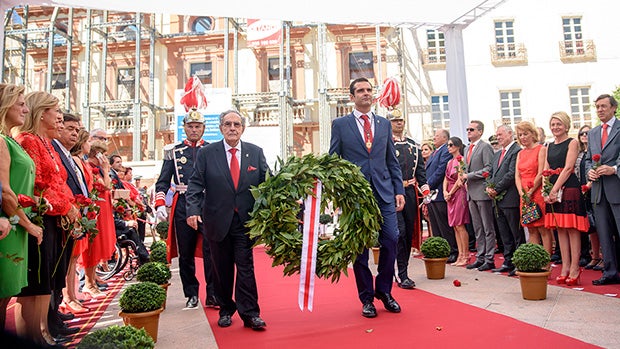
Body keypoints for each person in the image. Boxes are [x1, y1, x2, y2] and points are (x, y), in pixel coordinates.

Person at [329, 78, 405, 319]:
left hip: (384, 192)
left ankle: (384, 290)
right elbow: (334, 160)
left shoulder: (384, 124)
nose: (365, 94)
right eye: (360, 91)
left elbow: (390, 160)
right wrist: (339, 194)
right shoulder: (340, 124)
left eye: (369, 90)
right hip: (356, 196)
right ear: (352, 96)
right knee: (359, 249)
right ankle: (366, 298)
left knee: (391, 239)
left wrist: (399, 190)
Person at [186, 109, 270, 330]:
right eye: (228, 124)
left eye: (237, 124)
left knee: (246, 267)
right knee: (221, 269)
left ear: (242, 128)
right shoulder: (207, 154)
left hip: (245, 222)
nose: (232, 128)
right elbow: (195, 184)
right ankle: (225, 309)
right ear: (221, 127)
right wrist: (192, 209)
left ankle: (251, 313)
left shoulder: (255, 152)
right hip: (216, 221)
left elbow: (267, 184)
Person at [16, 91, 79, 346]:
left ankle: (44, 333)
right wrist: (67, 206)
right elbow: (37, 186)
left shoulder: (44, 143)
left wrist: (70, 206)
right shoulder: (28, 140)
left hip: (55, 216)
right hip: (41, 217)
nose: (60, 120)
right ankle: (37, 336)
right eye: (57, 113)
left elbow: (58, 182)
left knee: (48, 280)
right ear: (42, 113)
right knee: (37, 283)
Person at [154, 109, 218, 309]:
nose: (194, 130)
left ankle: (213, 294)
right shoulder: (173, 153)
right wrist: (160, 204)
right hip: (182, 205)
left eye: (197, 126)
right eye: (190, 126)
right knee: (186, 253)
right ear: (184, 128)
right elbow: (163, 182)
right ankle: (191, 293)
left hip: (207, 204)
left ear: (203, 129)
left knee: (212, 252)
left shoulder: (213, 150)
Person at [0, 84, 43, 332]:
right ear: (5, 105)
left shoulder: (9, 140)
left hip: (18, 225)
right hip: (9, 226)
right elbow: (6, 191)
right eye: (20, 104)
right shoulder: (2, 142)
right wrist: (28, 225)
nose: (26, 109)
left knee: (8, 294)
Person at [50, 113, 89, 335]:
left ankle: (54, 315)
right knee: (57, 267)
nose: (75, 133)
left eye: (77, 129)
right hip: (61, 216)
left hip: (71, 215)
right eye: (70, 128)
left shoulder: (64, 153)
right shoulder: (54, 150)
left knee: (63, 265)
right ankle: (52, 317)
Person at [544, 111, 589, 285]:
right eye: (553, 124)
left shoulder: (572, 142)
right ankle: (564, 267)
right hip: (553, 188)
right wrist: (547, 190)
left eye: (559, 124)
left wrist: (554, 189)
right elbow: (546, 169)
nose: (556, 127)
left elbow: (569, 167)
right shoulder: (548, 145)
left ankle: (575, 269)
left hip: (569, 187)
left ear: (566, 126)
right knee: (559, 229)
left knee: (571, 229)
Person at [388, 109, 428, 289]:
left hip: (411, 192)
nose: (399, 123)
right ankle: (399, 272)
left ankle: (403, 271)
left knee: (409, 233)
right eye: (395, 120)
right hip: (393, 193)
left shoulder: (413, 145)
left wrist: (426, 191)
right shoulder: (386, 144)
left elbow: (420, 171)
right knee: (399, 233)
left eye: (400, 120)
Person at [586, 94, 620, 285]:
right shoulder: (593, 133)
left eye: (604, 106)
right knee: (604, 233)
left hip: (616, 186)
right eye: (597, 106)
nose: (600, 110)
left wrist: (614, 169)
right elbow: (589, 159)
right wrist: (590, 172)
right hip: (598, 191)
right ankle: (610, 272)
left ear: (613, 107)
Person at [461, 121, 497, 271]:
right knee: (477, 227)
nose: (468, 131)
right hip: (471, 192)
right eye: (467, 129)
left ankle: (489, 258)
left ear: (480, 132)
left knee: (487, 226)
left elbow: (489, 168)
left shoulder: (485, 147)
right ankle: (480, 256)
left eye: (472, 129)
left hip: (482, 191)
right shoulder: (467, 149)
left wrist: (469, 175)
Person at [486, 125, 522, 273]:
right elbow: (491, 173)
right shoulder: (497, 154)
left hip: (510, 197)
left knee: (515, 233)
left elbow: (511, 173)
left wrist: (497, 189)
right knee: (504, 233)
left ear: (510, 134)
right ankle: (508, 261)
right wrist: (488, 186)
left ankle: (518, 262)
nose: (498, 137)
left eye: (500, 134)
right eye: (497, 135)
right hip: (497, 200)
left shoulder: (516, 151)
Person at [514, 121, 552, 255]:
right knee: (530, 227)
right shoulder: (520, 153)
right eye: (520, 135)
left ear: (532, 134)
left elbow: (541, 172)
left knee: (543, 228)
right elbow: (517, 175)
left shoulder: (541, 149)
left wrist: (531, 191)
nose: (523, 137)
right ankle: (535, 259)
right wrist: (521, 192)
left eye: (526, 133)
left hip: (537, 192)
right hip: (524, 194)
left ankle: (546, 261)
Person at [426, 129, 458, 263]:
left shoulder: (445, 150)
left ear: (445, 138)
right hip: (431, 194)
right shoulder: (435, 152)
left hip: (439, 192)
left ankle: (452, 250)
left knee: (444, 224)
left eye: (437, 136)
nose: (434, 138)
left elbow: (441, 171)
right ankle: (440, 250)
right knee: (435, 224)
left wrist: (428, 185)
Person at [576, 125, 602, 271]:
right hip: (581, 192)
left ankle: (604, 256)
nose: (584, 135)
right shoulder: (580, 153)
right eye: (582, 133)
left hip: (594, 190)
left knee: (600, 225)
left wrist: (589, 185)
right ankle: (595, 256)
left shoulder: (596, 151)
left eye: (587, 133)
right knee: (590, 226)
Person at [443, 137, 470, 266]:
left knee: (460, 225)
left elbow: (460, 180)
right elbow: (446, 178)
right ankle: (460, 255)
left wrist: (450, 192)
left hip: (458, 193)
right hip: (449, 194)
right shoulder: (449, 162)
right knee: (454, 226)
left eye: (451, 145)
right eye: (448, 145)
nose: (449, 147)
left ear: (458, 146)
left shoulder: (461, 160)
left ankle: (465, 255)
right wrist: (444, 192)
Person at [420, 142, 434, 237]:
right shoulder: (420, 164)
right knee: (424, 217)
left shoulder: (433, 162)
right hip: (420, 193)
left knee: (431, 218)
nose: (423, 152)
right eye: (422, 150)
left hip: (432, 192)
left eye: (426, 150)